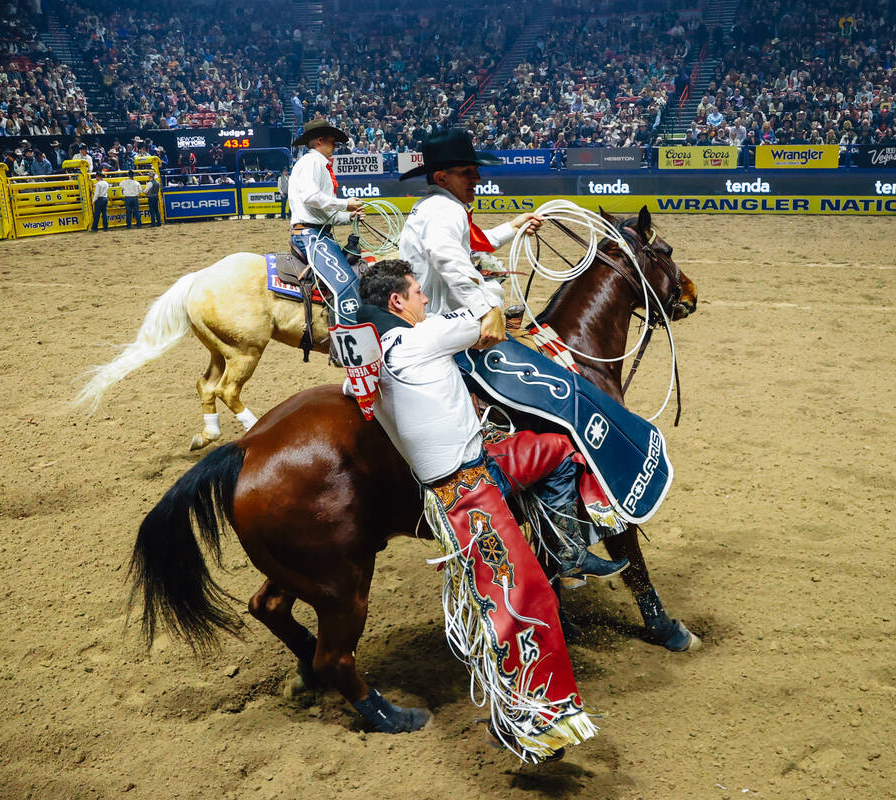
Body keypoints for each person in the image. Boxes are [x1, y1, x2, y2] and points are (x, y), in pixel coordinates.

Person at [398, 130, 693, 640]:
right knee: (566, 406)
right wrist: (488, 305)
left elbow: (477, 245)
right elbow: (452, 262)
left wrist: (517, 226)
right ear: (442, 175)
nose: (478, 178)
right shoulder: (444, 213)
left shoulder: (436, 208)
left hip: (441, 323)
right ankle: (570, 542)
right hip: (458, 330)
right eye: (469, 172)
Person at [352, 259, 611, 761]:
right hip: (467, 498)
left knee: (559, 449)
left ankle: (568, 547)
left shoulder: (370, 359)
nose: (426, 300)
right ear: (396, 303)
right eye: (418, 293)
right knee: (525, 602)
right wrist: (486, 282)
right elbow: (489, 317)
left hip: (478, 467)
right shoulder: (420, 340)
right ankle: (527, 719)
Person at [288, 118, 364, 323]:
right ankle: (349, 336)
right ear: (320, 141)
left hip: (316, 231)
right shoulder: (312, 162)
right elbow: (311, 198)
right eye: (333, 143)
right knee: (347, 284)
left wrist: (349, 216)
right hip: (311, 236)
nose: (335, 148)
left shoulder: (314, 163)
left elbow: (322, 213)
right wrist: (345, 204)